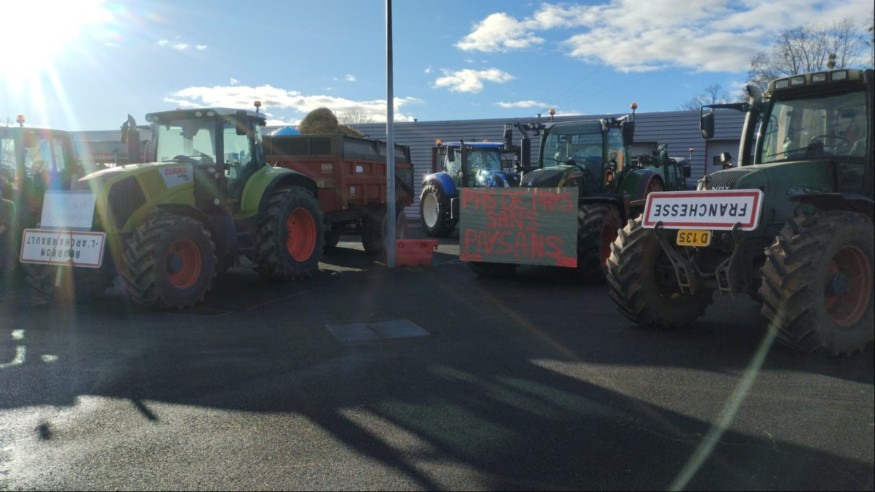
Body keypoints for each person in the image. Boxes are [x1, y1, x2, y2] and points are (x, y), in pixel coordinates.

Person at [0, 177, 18, 297]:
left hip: (4, 245)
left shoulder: (9, 205)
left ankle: (3, 293)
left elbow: (4, 226)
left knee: (3, 268)